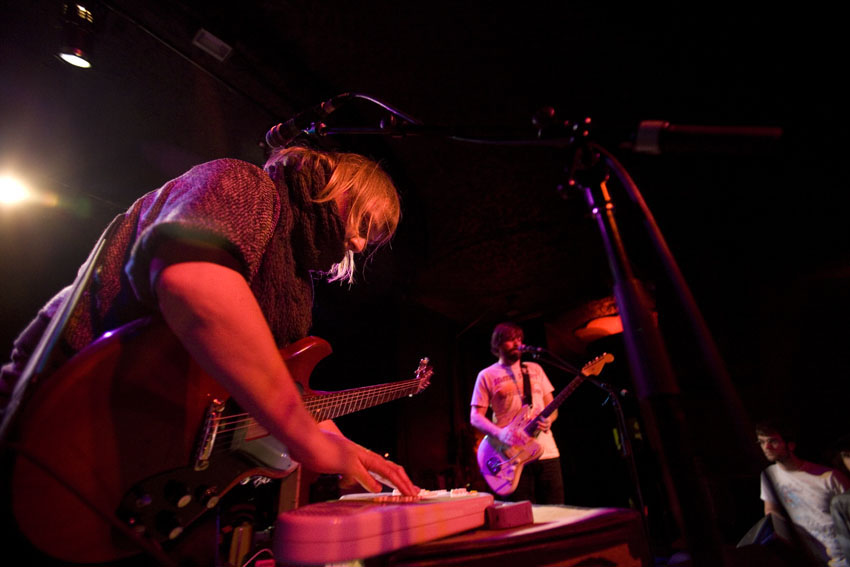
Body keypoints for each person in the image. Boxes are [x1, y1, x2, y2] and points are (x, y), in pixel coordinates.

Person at [1, 146, 418, 492]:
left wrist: (340, 446)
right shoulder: (247, 184)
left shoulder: (297, 281)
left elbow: (275, 380)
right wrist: (303, 434)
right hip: (70, 410)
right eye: (363, 222)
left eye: (368, 241)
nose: (356, 243)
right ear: (341, 184)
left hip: (152, 455)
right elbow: (193, 280)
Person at [469, 322, 564, 504]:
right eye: (510, 339)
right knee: (523, 513)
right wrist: (500, 433)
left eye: (519, 338)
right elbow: (475, 417)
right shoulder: (487, 375)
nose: (517, 343)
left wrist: (549, 420)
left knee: (557, 510)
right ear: (497, 344)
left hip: (547, 452)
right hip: (511, 455)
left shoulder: (535, 369)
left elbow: (552, 408)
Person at [754, 420, 849, 567]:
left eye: (773, 441)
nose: (766, 447)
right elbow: (771, 511)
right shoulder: (769, 476)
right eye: (761, 442)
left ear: (790, 445)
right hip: (812, 558)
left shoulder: (829, 477)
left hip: (842, 557)